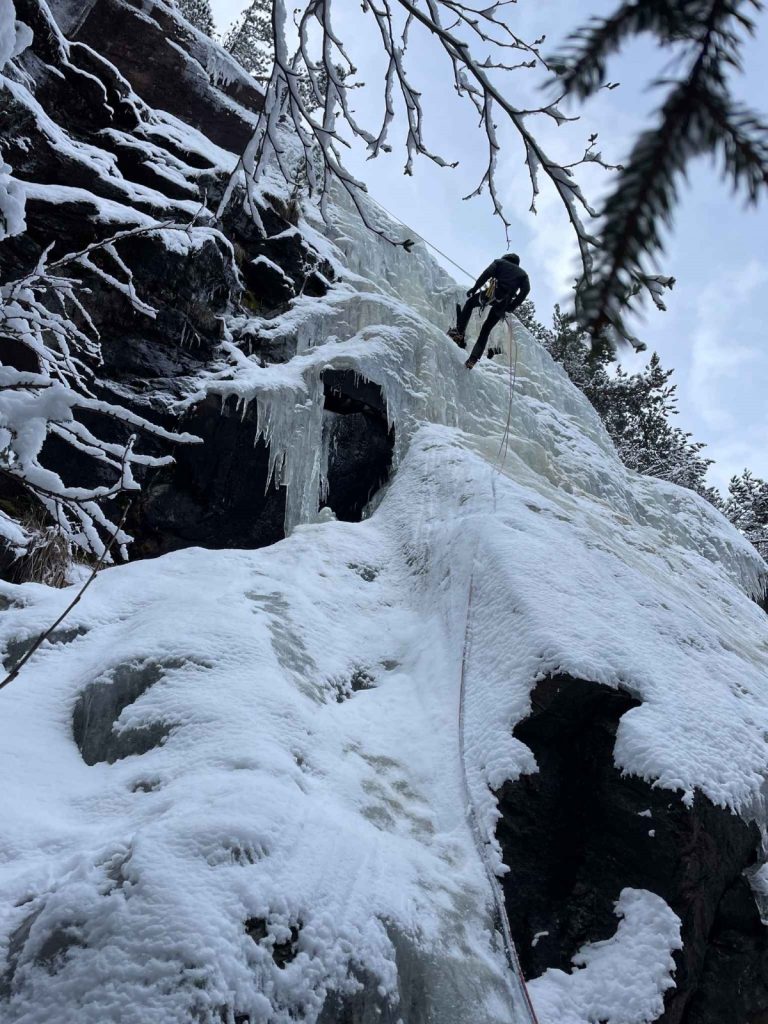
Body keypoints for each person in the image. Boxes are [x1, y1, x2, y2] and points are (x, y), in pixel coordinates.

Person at [451, 253, 530, 369]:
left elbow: (486, 274)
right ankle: (473, 358)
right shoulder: (523, 275)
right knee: (486, 329)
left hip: (491, 293)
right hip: (505, 301)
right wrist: (512, 306)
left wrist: (475, 288)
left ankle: (459, 332)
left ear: (506, 258)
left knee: (470, 303)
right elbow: (526, 290)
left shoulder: (500, 262)